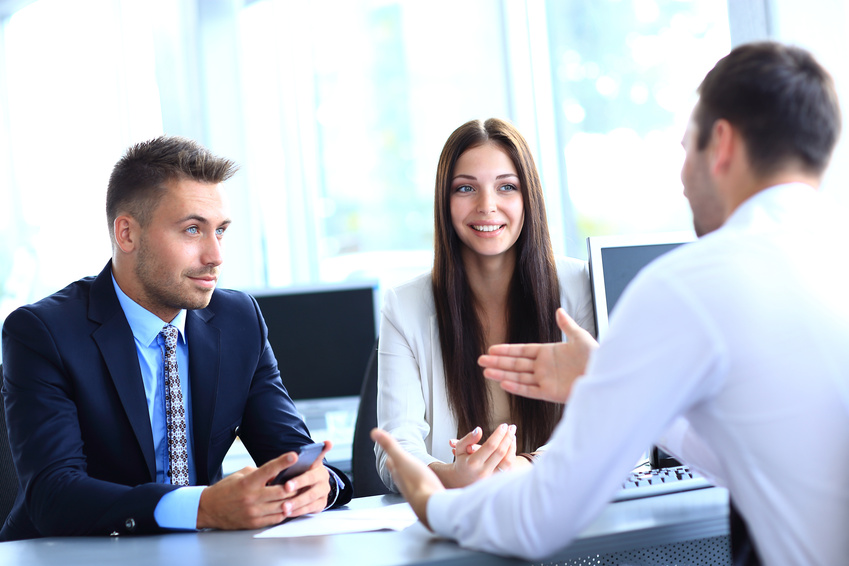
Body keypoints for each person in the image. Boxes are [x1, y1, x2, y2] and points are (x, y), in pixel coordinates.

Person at [372, 41, 849, 565]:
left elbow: (539, 518)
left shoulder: (688, 285)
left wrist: (430, 501)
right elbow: (762, 463)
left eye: (686, 147)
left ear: (723, 144)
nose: (684, 179)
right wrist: (607, 382)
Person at [0, 136, 352, 541]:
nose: (216, 255)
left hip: (200, 551)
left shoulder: (239, 320)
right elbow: (54, 496)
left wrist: (319, 486)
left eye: (220, 231)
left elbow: (290, 454)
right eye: (192, 230)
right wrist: (202, 507)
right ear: (127, 234)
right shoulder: (43, 332)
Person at [375, 118, 594, 491]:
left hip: (564, 513)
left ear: (529, 198)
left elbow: (611, 425)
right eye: (465, 189)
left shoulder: (581, 287)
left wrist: (527, 466)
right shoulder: (404, 305)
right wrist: (452, 475)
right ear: (445, 202)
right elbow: (395, 448)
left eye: (506, 187)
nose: (486, 206)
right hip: (464, 519)